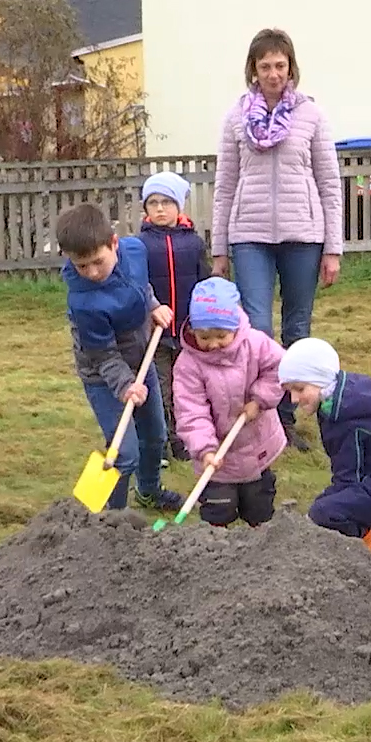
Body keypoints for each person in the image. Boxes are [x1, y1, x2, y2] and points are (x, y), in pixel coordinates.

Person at [209, 28, 345, 453]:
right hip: (249, 235)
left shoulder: (311, 115)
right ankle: (261, 419)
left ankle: (289, 419)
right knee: (258, 329)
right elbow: (224, 185)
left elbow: (329, 183)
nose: (273, 73)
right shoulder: (235, 118)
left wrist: (333, 248)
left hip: (304, 236)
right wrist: (219, 249)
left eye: (280, 65)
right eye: (265, 66)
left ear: (291, 68)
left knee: (297, 328)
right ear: (253, 69)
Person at [56, 203, 183, 513]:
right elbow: (103, 355)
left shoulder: (135, 251)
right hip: (104, 376)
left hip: (142, 360)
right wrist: (125, 385)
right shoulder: (84, 302)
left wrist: (153, 305)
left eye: (98, 262)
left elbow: (139, 284)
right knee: (124, 454)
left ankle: (149, 492)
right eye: (81, 266)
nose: (92, 273)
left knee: (156, 436)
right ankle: (108, 520)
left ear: (114, 243)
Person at [279, 338, 371, 558]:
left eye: (299, 388)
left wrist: (314, 516)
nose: (294, 398)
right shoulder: (341, 401)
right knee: (327, 507)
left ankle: (363, 555)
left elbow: (348, 477)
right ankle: (366, 544)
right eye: (290, 391)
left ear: (320, 380)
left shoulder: (345, 419)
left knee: (325, 513)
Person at [173, 277, 287, 527]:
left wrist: (260, 399)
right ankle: (216, 555)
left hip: (257, 444)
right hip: (216, 457)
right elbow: (191, 411)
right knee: (218, 510)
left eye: (221, 336)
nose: (213, 344)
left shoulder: (256, 344)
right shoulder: (188, 365)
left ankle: (261, 549)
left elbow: (280, 368)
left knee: (259, 508)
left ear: (235, 326)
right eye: (204, 337)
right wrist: (205, 450)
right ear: (192, 329)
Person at [137, 171, 211, 461]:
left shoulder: (193, 243)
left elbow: (203, 281)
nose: (159, 209)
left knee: (186, 387)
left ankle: (185, 439)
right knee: (161, 385)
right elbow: (137, 284)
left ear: (179, 206)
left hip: (187, 330)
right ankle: (163, 439)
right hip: (154, 330)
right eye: (153, 203)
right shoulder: (139, 245)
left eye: (166, 202)